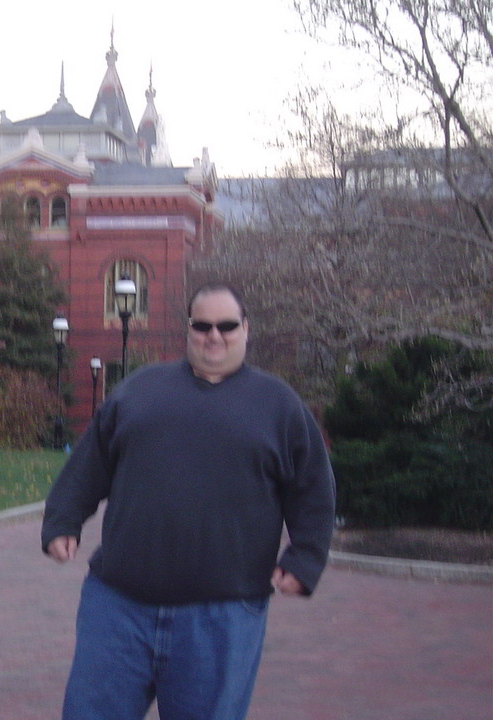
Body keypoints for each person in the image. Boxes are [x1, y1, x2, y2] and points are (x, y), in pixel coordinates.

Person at [42, 283, 336, 720]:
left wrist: (305, 559)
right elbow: (90, 463)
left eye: (226, 326)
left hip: (222, 618)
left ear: (245, 329)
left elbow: (313, 489)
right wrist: (63, 520)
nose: (213, 336)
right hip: (119, 609)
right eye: (202, 325)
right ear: (188, 330)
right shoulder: (139, 391)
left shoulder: (279, 406)